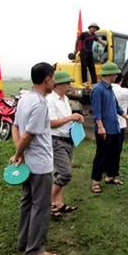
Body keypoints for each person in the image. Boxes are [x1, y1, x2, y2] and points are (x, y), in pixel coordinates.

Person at [11, 62, 58, 255]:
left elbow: (15, 127)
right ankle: (35, 251)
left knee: (27, 203)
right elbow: (28, 134)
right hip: (40, 165)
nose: (54, 82)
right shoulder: (39, 104)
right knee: (41, 207)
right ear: (47, 79)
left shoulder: (24, 99)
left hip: (28, 163)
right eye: (53, 78)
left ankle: (24, 241)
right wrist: (19, 152)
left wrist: (19, 153)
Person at [89, 61, 128, 191]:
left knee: (115, 153)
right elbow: (96, 111)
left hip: (115, 128)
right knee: (102, 155)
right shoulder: (98, 90)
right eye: (115, 74)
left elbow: (117, 107)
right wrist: (100, 127)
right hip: (104, 129)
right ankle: (95, 182)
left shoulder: (110, 89)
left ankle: (111, 176)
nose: (116, 76)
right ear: (109, 74)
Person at [46, 70, 82, 217]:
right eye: (67, 83)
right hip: (56, 140)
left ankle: (58, 204)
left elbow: (66, 118)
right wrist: (71, 118)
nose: (70, 85)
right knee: (65, 174)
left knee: (59, 173)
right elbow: (51, 123)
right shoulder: (50, 100)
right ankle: (48, 203)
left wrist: (75, 119)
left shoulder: (65, 99)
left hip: (67, 139)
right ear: (58, 84)